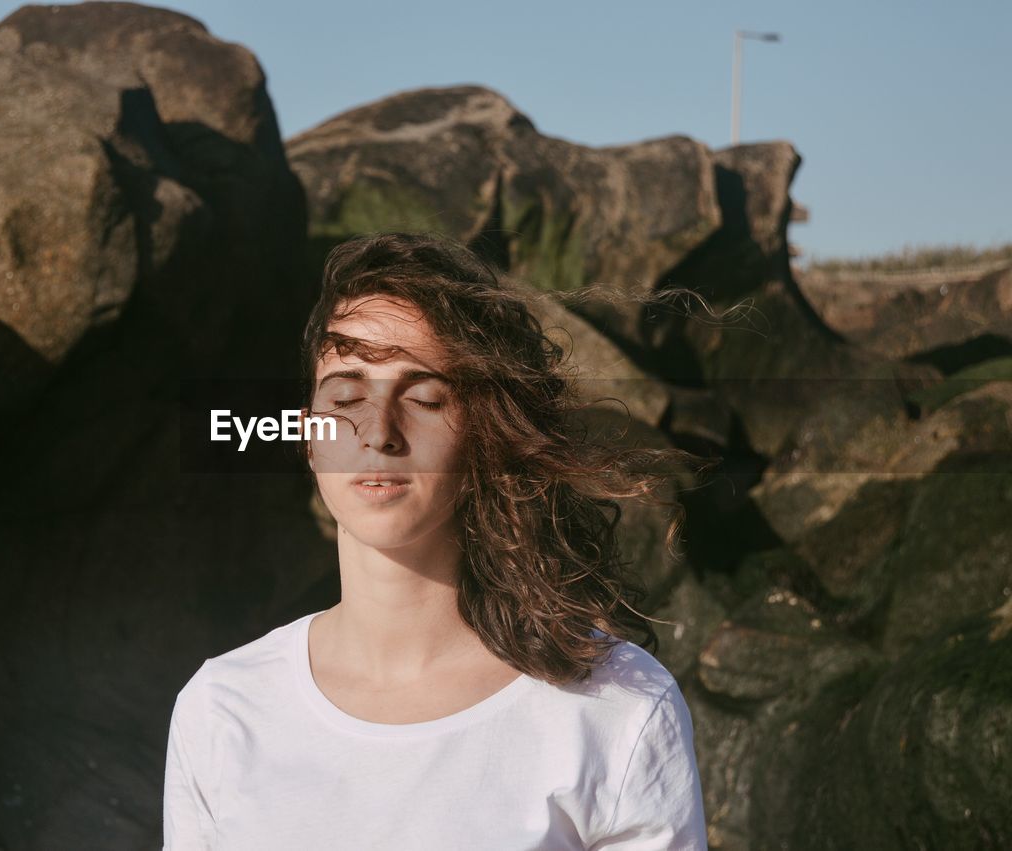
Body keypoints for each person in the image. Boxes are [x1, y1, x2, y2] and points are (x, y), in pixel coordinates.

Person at [163, 231, 711, 850]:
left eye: (424, 398)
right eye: (345, 396)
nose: (379, 432)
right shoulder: (224, 706)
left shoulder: (613, 706)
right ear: (308, 438)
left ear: (485, 435)